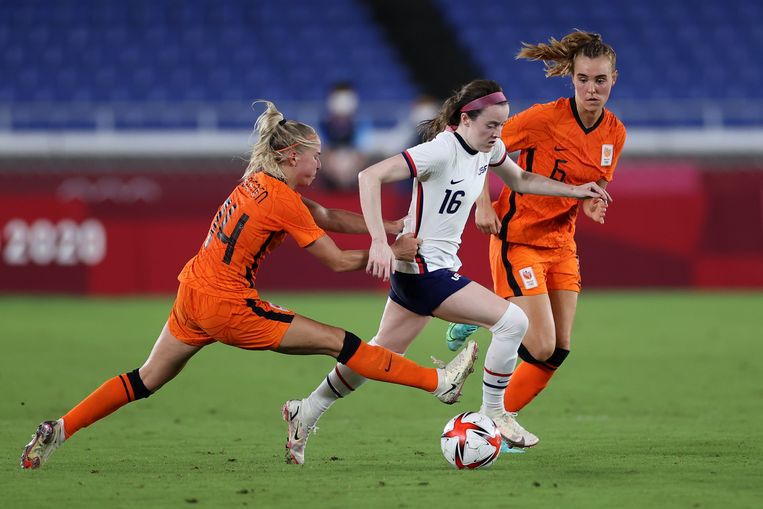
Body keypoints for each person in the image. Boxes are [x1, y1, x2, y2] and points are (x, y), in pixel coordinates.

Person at [19, 100, 481, 470]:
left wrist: (390, 221)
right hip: (227, 305)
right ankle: (437, 382)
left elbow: (323, 215)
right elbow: (337, 262)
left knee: (145, 378)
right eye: (315, 155)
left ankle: (59, 428)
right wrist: (389, 251)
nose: (321, 162)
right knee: (341, 342)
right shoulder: (280, 198)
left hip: (192, 292)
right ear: (290, 155)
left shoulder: (257, 182)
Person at [282, 79, 613, 464]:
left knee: (377, 354)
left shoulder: (487, 148)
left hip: (423, 272)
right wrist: (377, 240)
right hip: (423, 271)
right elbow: (368, 176)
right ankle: (494, 414)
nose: (497, 134)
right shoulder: (440, 150)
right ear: (464, 119)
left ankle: (305, 411)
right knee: (512, 322)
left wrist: (577, 190)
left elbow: (521, 179)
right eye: (490, 125)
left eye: (502, 125)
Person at [446, 31, 626, 428]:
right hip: (520, 239)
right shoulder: (545, 119)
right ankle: (490, 313)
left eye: (600, 80)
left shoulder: (615, 132)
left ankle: (493, 423)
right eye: (583, 79)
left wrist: (593, 202)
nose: (592, 89)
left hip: (562, 244)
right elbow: (474, 144)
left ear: (615, 78)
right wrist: (482, 201)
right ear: (572, 79)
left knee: (558, 349)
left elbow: (596, 184)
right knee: (540, 343)